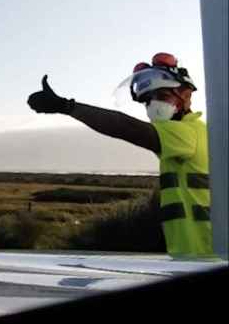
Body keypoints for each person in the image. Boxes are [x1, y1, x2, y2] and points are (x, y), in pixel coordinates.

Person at [27, 52, 211, 256]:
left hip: (204, 255)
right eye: (147, 101)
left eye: (162, 96)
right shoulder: (186, 137)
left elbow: (126, 127)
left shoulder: (189, 134)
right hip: (189, 255)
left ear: (186, 95)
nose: (152, 106)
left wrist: (67, 107)